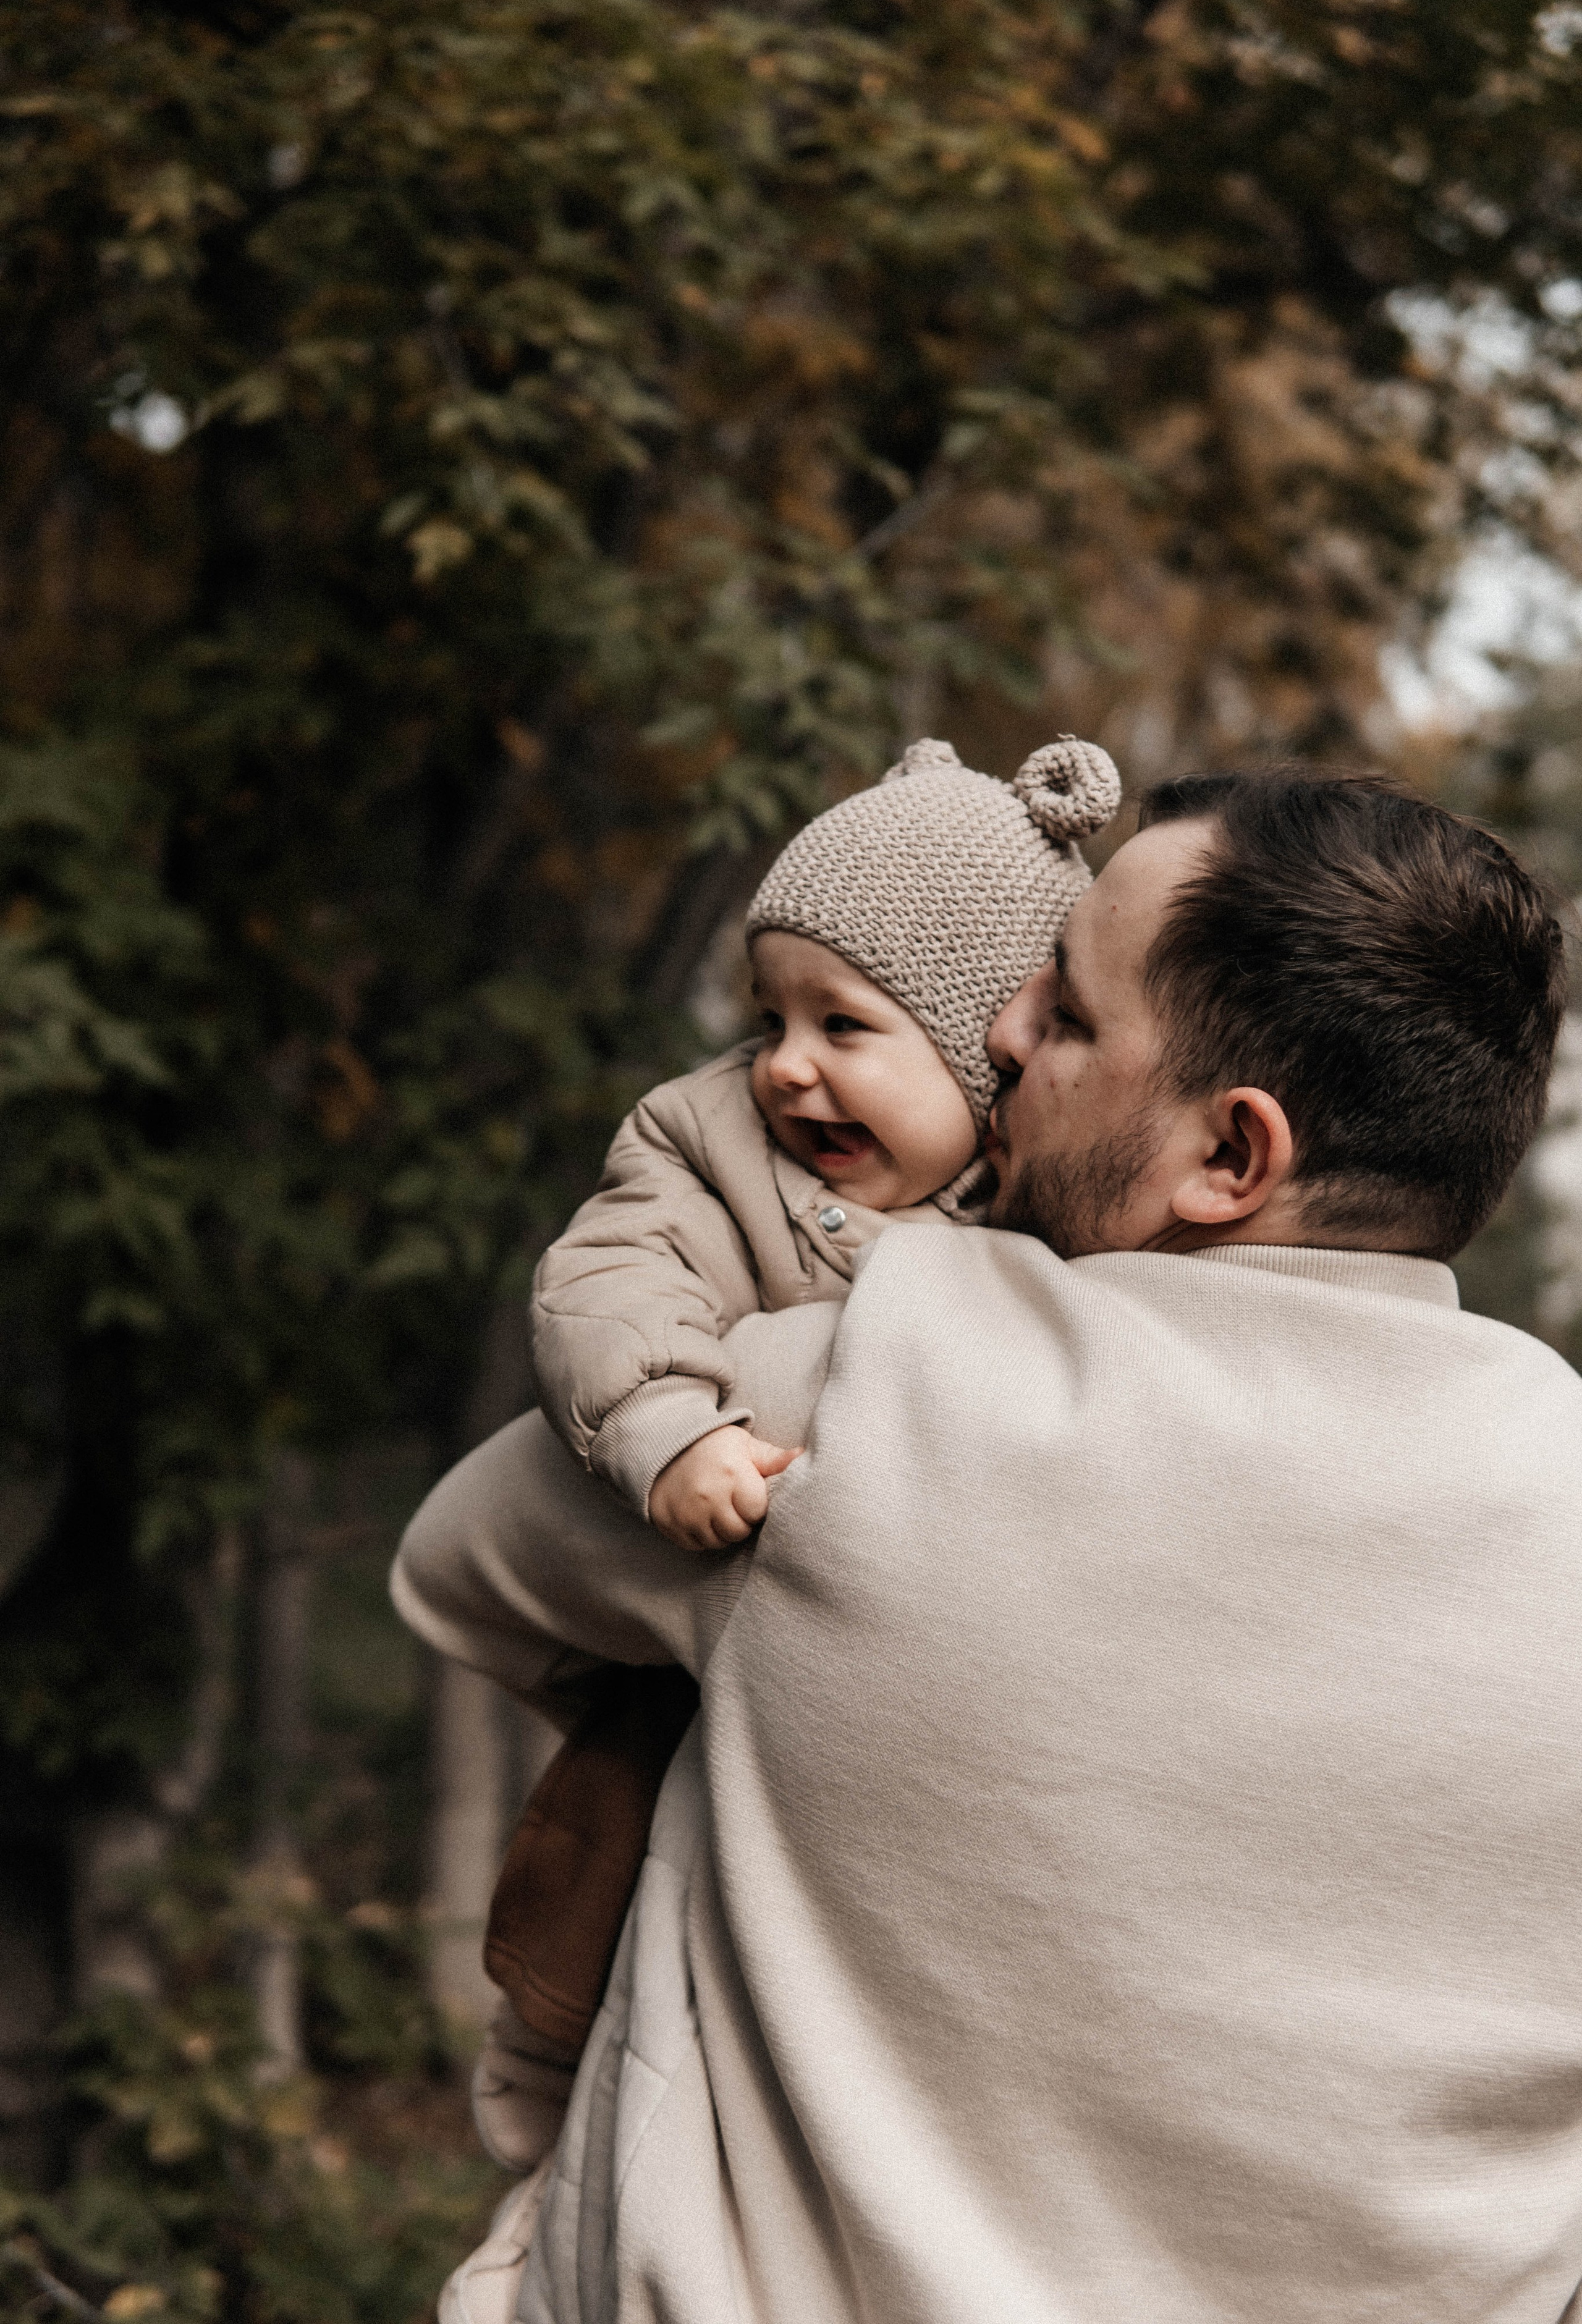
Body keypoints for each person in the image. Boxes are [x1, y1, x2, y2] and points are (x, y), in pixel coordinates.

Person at [397, 767, 1582, 2324]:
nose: (1000, 1038)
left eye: (1070, 1016)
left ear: (1231, 1158)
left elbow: (459, 1561)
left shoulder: (870, 1379)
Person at [404, 734, 1121, 2265]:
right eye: (771, 1015)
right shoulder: (708, 1140)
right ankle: (540, 2097)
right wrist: (666, 1428)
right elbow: (606, 1280)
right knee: (595, 1848)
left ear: (988, 1052)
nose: (789, 1064)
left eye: (844, 1025)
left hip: (899, 1698)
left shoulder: (1052, 1202)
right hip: (695, 1587)